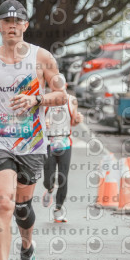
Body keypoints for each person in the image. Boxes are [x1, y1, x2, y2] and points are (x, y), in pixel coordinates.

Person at [0, 0, 67, 260]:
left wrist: (36, 99)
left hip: (32, 143)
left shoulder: (42, 57)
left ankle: (27, 248)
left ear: (25, 25)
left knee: (23, 208)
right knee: (4, 201)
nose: (12, 26)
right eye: (6, 21)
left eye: (17, 21)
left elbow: (62, 94)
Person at [42, 93, 84, 222]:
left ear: (65, 85)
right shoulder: (45, 98)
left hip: (65, 141)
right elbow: (36, 119)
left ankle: (58, 209)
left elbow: (74, 122)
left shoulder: (72, 100)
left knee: (63, 178)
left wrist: (78, 119)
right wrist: (43, 123)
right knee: (48, 178)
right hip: (49, 142)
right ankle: (49, 189)